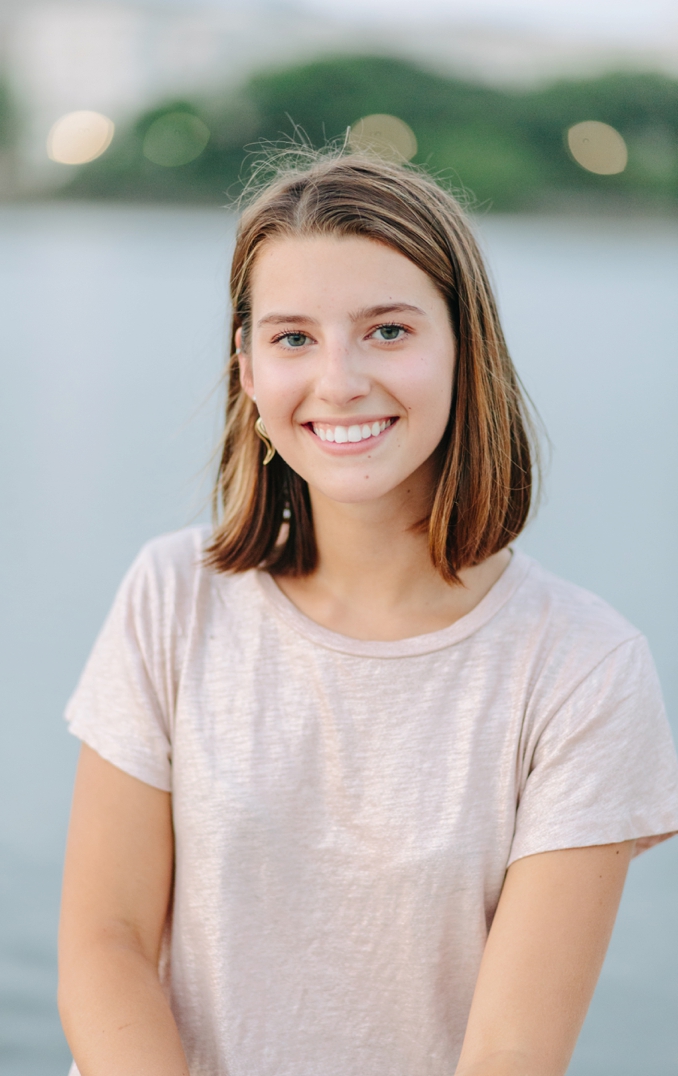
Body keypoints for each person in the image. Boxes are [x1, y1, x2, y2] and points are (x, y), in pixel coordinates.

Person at [57, 152, 678, 1076]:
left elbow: (511, 1050)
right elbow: (104, 941)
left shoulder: (583, 667)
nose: (339, 381)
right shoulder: (171, 595)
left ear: (466, 347)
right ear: (248, 369)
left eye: (387, 331)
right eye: (293, 338)